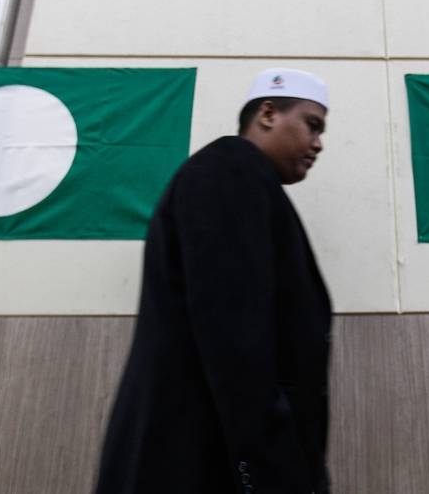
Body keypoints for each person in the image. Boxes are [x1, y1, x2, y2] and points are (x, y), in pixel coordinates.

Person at [96, 68, 334, 494]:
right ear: (267, 113)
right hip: (202, 461)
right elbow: (235, 338)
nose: (318, 143)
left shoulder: (244, 182)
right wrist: (265, 471)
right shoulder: (229, 174)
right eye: (311, 125)